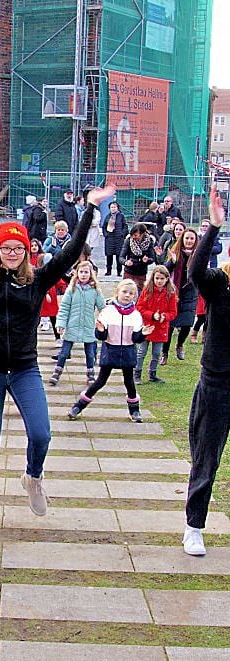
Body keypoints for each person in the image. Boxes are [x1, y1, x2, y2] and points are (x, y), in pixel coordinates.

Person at [0, 164, 110, 526]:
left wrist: (90, 207)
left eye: (19, 247)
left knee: (42, 433)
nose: (13, 252)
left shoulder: (38, 278)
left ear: (27, 251)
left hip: (25, 369)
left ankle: (33, 476)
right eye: (6, 247)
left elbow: (72, 249)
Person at [182, 185, 230, 556]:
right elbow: (195, 269)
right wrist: (212, 228)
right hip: (217, 384)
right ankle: (194, 527)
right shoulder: (220, 284)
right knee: (206, 457)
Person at [67, 279, 152, 423]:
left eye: (131, 294)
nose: (127, 295)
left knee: (129, 383)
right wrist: (100, 330)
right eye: (124, 292)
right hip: (110, 351)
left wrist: (143, 333)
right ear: (117, 293)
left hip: (127, 352)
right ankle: (78, 407)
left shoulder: (136, 315)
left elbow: (136, 338)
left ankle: (134, 410)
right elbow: (101, 336)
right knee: (100, 381)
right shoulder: (107, 312)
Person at [49, 261, 105, 386]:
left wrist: (103, 322)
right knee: (64, 353)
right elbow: (64, 308)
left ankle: (90, 374)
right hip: (72, 326)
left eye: (86, 272)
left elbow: (102, 307)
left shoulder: (95, 290)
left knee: (90, 353)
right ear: (76, 273)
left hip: (88, 326)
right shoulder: (71, 289)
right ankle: (57, 372)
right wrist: (61, 324)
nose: (83, 275)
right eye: (81, 272)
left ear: (91, 274)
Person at [134, 265, 177, 384]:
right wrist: (152, 315)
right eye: (157, 278)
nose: (159, 281)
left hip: (161, 327)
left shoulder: (171, 293)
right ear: (153, 278)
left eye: (162, 279)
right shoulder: (147, 291)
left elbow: (173, 312)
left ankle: (152, 374)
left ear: (167, 279)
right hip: (147, 326)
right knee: (142, 351)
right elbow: (140, 307)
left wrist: (165, 316)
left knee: (156, 353)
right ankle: (137, 373)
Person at [162, 228, 199, 363]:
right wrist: (172, 261)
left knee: (187, 324)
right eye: (187, 238)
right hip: (175, 293)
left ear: (195, 241)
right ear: (182, 239)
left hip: (191, 293)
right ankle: (164, 353)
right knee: (170, 325)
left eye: (191, 239)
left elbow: (202, 273)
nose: (189, 241)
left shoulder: (198, 255)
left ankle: (179, 345)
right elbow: (165, 272)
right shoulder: (175, 252)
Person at [120, 223, 155, 294]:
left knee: (139, 294)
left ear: (142, 234)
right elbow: (121, 257)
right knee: (127, 292)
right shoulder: (128, 241)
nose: (134, 237)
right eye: (132, 235)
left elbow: (152, 258)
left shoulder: (149, 242)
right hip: (129, 272)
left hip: (141, 273)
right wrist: (125, 262)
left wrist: (147, 260)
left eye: (136, 235)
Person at [102, 201, 127, 276]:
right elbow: (104, 227)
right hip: (109, 239)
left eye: (114, 207)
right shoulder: (108, 216)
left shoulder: (121, 216)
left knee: (118, 255)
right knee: (109, 256)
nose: (113, 209)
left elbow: (125, 226)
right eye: (111, 207)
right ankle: (108, 271)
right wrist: (106, 234)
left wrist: (122, 234)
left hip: (119, 239)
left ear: (117, 208)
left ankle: (119, 272)